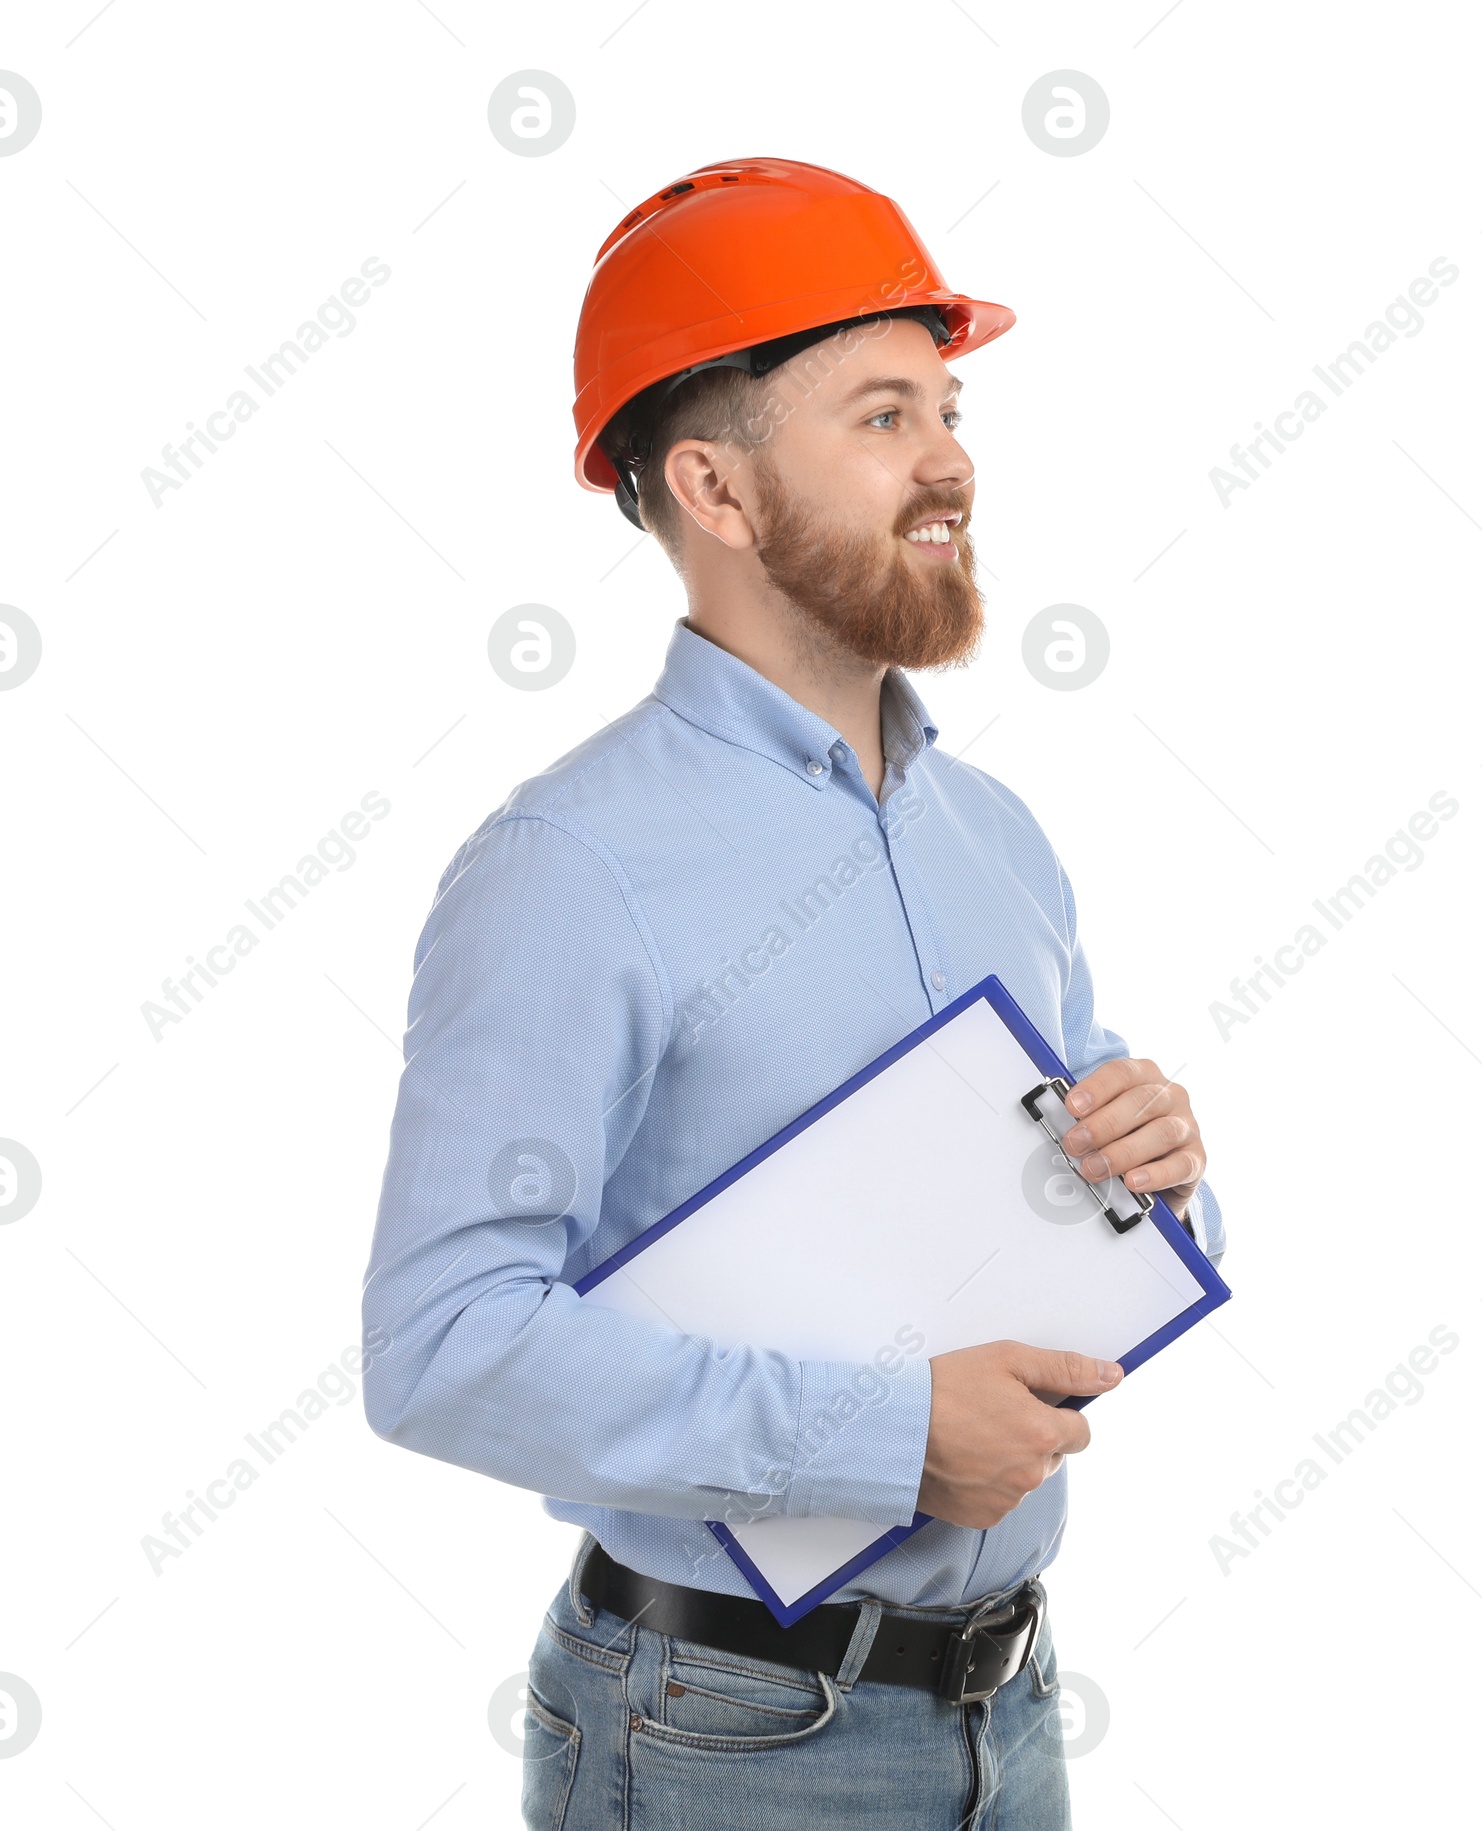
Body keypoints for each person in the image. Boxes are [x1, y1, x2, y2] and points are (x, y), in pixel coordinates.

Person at [361, 156, 1226, 1830]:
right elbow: (441, 1345)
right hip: (726, 1737)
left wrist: (1165, 1170)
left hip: (1013, 1702)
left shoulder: (998, 836)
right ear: (719, 488)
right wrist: (881, 1440)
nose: (955, 460)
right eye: (885, 415)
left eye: (950, 409)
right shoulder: (566, 866)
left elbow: (1110, 1242)